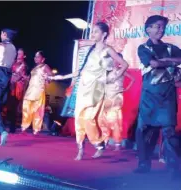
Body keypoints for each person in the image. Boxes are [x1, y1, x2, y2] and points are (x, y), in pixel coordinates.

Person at [49, 22, 128, 160]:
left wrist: (110, 78)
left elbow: (124, 65)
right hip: (83, 88)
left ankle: (98, 143)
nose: (93, 34)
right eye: (92, 32)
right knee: (79, 118)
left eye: (96, 32)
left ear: (104, 34)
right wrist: (56, 76)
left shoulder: (108, 50)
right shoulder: (90, 49)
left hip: (96, 89)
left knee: (89, 118)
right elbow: (79, 72)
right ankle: (80, 149)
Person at [134, 15, 181, 178]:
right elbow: (152, 64)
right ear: (148, 29)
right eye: (157, 26)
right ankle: (143, 164)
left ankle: (174, 168)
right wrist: (172, 62)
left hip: (167, 95)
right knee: (145, 131)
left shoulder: (170, 47)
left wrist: (166, 60)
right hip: (149, 96)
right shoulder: (143, 48)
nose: (161, 30)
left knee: (169, 132)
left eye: (163, 27)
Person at [99, 53, 134, 151]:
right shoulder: (107, 72)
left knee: (115, 120)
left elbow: (133, 79)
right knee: (103, 119)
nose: (115, 61)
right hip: (106, 96)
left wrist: (125, 88)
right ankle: (105, 141)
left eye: (117, 60)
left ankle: (117, 143)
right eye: (113, 59)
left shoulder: (121, 71)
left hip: (116, 97)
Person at [21, 51, 53, 135]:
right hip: (30, 91)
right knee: (26, 108)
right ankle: (24, 127)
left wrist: (48, 78)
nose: (35, 58)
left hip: (39, 91)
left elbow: (51, 76)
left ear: (43, 59)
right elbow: (31, 79)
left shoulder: (45, 66)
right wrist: (26, 78)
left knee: (38, 110)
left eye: (38, 57)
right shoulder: (34, 68)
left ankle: (36, 130)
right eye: (35, 57)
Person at [7, 48, 28, 133]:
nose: (18, 55)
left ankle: (12, 127)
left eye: (20, 53)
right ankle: (6, 124)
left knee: (13, 107)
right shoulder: (13, 62)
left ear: (24, 55)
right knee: (7, 105)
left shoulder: (24, 65)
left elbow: (20, 76)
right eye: (18, 53)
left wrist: (13, 80)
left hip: (17, 87)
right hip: (10, 85)